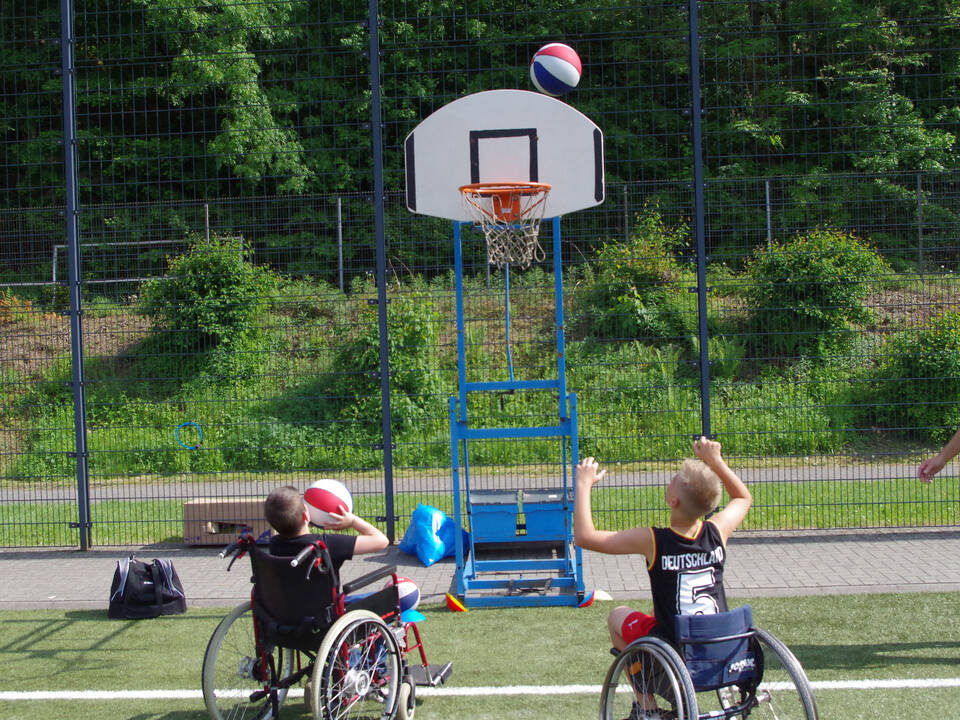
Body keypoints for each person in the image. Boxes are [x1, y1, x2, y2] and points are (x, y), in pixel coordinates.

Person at [573, 436, 752, 720]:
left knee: (616, 616)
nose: (672, 478)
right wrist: (716, 461)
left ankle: (647, 707)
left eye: (675, 478)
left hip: (678, 653)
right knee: (656, 613)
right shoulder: (717, 531)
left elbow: (584, 537)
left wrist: (583, 486)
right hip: (723, 650)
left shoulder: (653, 540)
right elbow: (743, 497)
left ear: (673, 500)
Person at [264, 485, 389, 570]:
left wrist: (305, 522)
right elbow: (382, 541)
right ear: (306, 515)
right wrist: (353, 521)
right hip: (328, 609)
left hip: (283, 608)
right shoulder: (327, 544)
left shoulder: (274, 545)